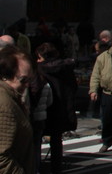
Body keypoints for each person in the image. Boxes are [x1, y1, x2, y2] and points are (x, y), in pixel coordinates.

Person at [37, 43, 77, 174]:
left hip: (45, 107)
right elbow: (73, 87)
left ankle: (37, 166)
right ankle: (56, 167)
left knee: (37, 138)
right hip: (62, 107)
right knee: (56, 140)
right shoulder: (66, 68)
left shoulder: (40, 69)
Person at [0, 45, 36, 173]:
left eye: (30, 79)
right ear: (6, 76)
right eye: (23, 80)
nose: (27, 85)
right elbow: (1, 156)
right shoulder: (4, 104)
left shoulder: (12, 97)